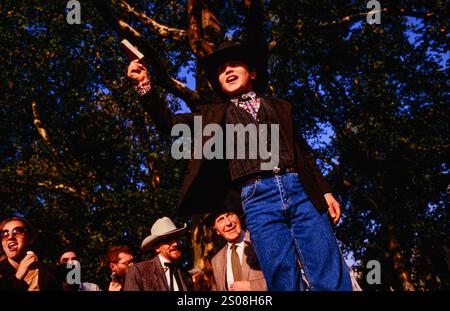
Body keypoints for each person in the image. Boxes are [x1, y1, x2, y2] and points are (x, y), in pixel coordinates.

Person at [127, 39, 351, 290]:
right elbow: (169, 124)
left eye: (234, 65)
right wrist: (144, 84)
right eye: (222, 70)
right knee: (282, 275)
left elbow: (304, 153)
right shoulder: (212, 116)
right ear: (219, 83)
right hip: (257, 197)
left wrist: (326, 191)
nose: (228, 71)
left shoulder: (280, 107)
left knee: (327, 267)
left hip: (300, 188)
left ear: (252, 73)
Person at [205, 198, 267, 291]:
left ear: (238, 217)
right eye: (220, 220)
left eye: (230, 215)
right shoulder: (216, 261)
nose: (228, 223)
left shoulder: (262, 240)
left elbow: (286, 276)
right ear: (217, 231)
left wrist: (252, 287)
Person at [124, 217, 192, 291]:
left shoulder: (185, 275)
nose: (175, 243)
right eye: (168, 240)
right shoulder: (138, 272)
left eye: (176, 238)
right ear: (157, 248)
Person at [0, 217, 62, 291]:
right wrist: (18, 276)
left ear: (30, 238)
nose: (10, 237)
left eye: (18, 231)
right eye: (4, 234)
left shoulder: (48, 272)